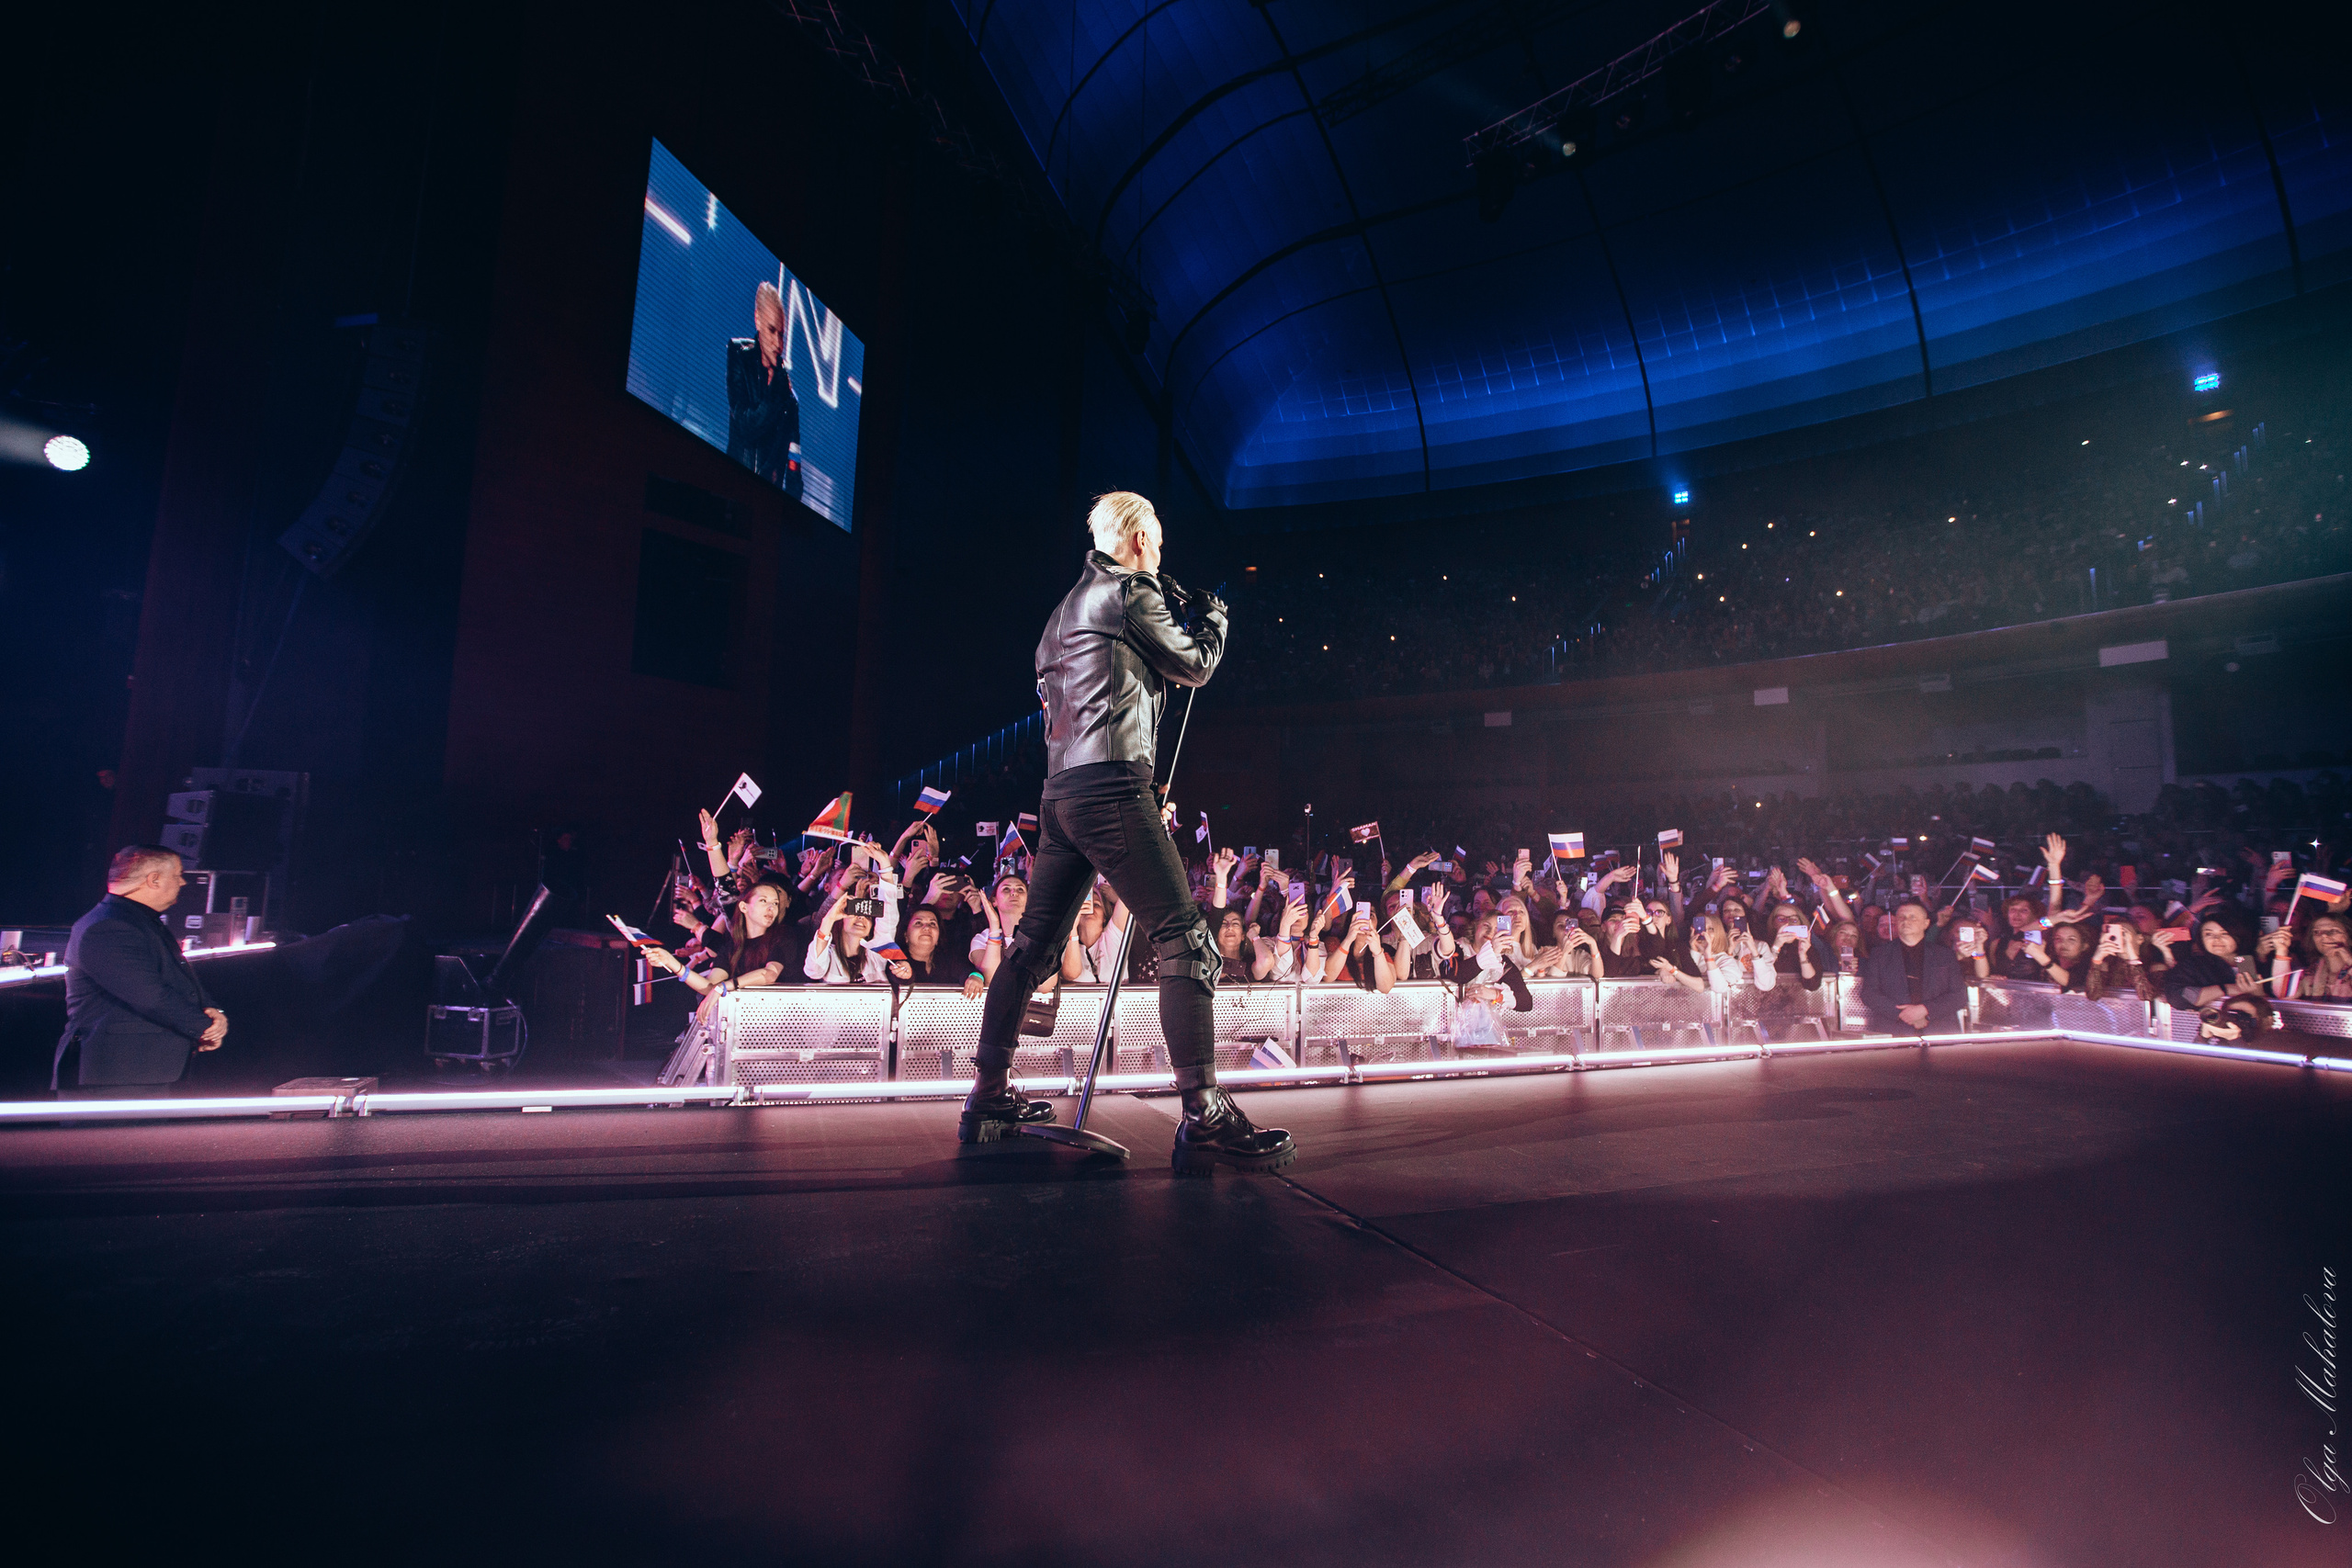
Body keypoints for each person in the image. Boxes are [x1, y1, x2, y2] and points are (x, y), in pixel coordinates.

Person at [970, 491, 1295, 1173]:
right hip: (1112, 785)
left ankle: (987, 1098)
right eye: (1160, 541)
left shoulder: (1060, 613)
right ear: (1142, 539)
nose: (1161, 552)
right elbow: (1196, 665)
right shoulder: (1127, 592)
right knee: (1186, 938)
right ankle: (1204, 1112)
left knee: (1031, 947)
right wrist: (1213, 619)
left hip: (1061, 793)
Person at [53, 846, 228, 1097]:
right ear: (153, 880)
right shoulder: (108, 926)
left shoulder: (136, 921)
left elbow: (180, 980)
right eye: (177, 874)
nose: (183, 882)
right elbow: (149, 995)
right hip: (113, 1074)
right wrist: (205, 1027)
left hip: (134, 1070)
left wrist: (214, 1013)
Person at [726, 280, 801, 494]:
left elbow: (794, 465)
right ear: (757, 320)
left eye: (782, 334)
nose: (778, 344)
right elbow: (744, 426)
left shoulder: (791, 399)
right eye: (771, 330)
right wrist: (775, 396)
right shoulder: (739, 354)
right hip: (733, 487)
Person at [1857, 897, 1965, 1035]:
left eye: (1912, 918)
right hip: (1893, 1031)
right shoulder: (1879, 954)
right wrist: (1903, 1014)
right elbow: (1869, 994)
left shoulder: (1945, 955)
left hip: (1938, 1031)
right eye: (1901, 917)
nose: (1906, 921)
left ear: (1926, 924)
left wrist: (1925, 1010)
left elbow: (1959, 995)